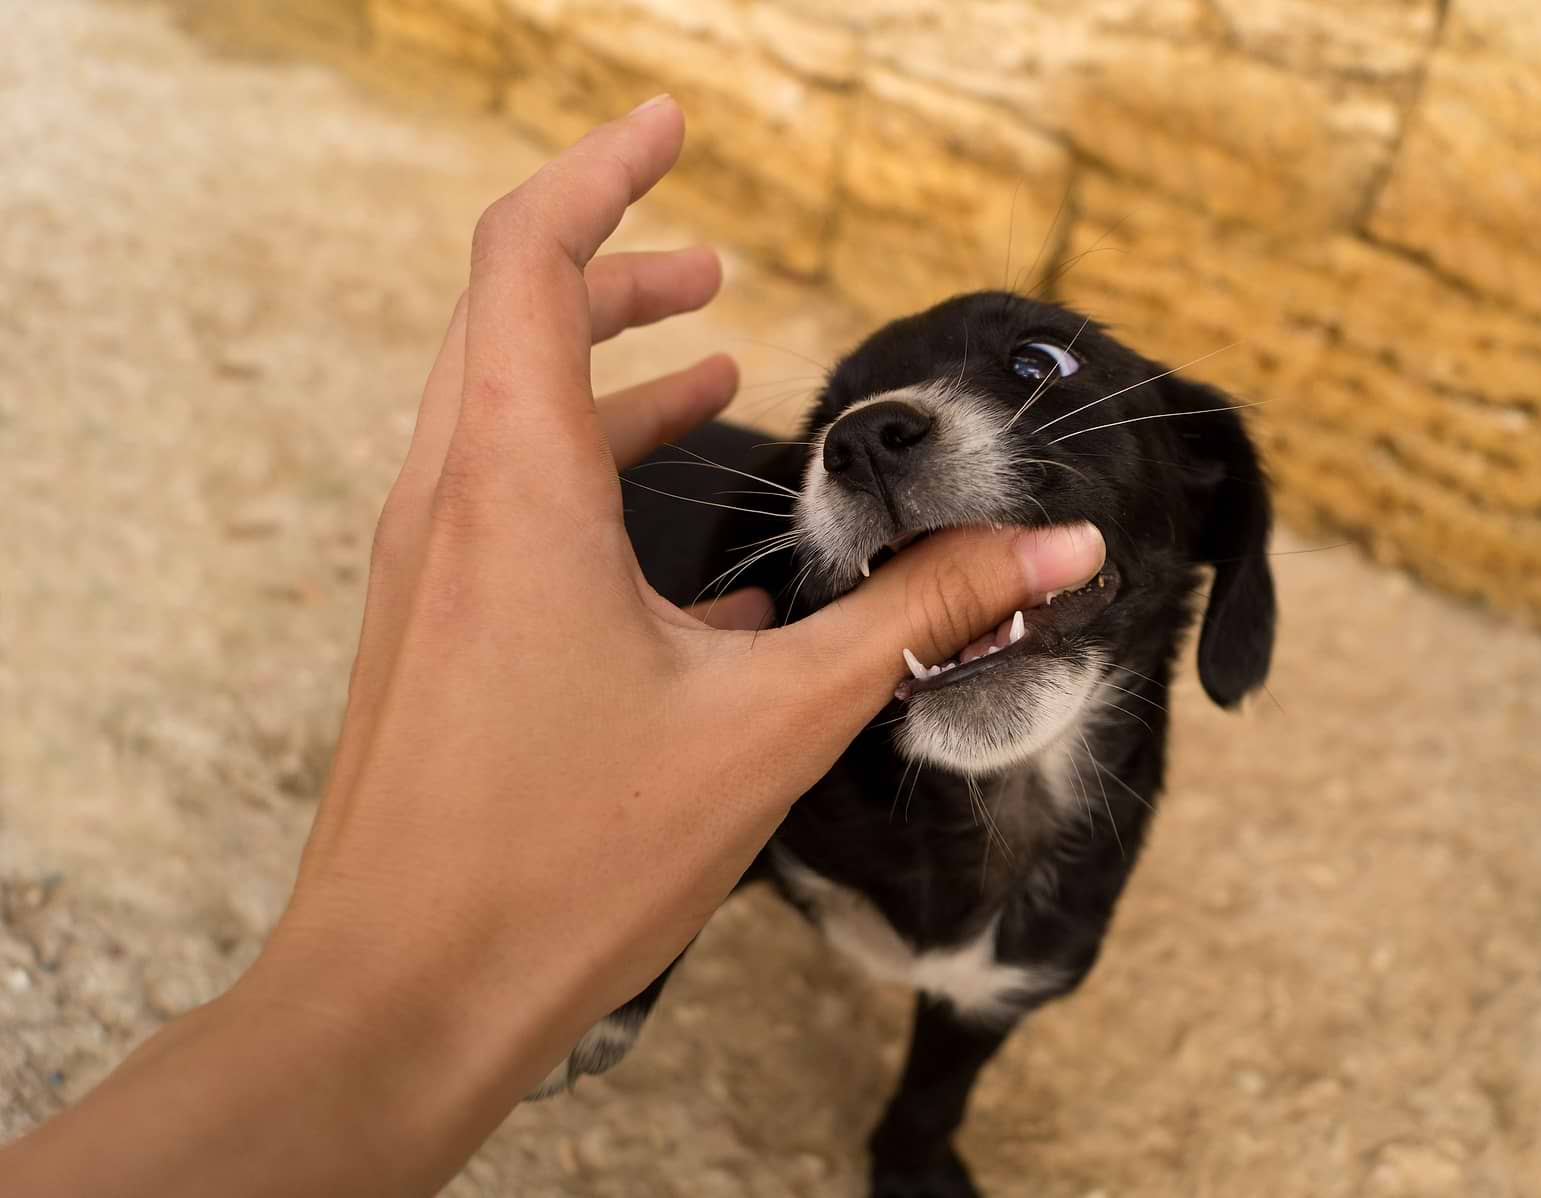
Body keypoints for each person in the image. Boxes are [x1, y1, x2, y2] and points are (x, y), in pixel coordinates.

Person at [0, 96, 1105, 1196]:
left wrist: (349, 996)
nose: (868, 438)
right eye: (836, 426)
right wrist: (574, 971)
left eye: (1037, 367)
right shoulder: (800, 717)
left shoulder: (1072, 901)